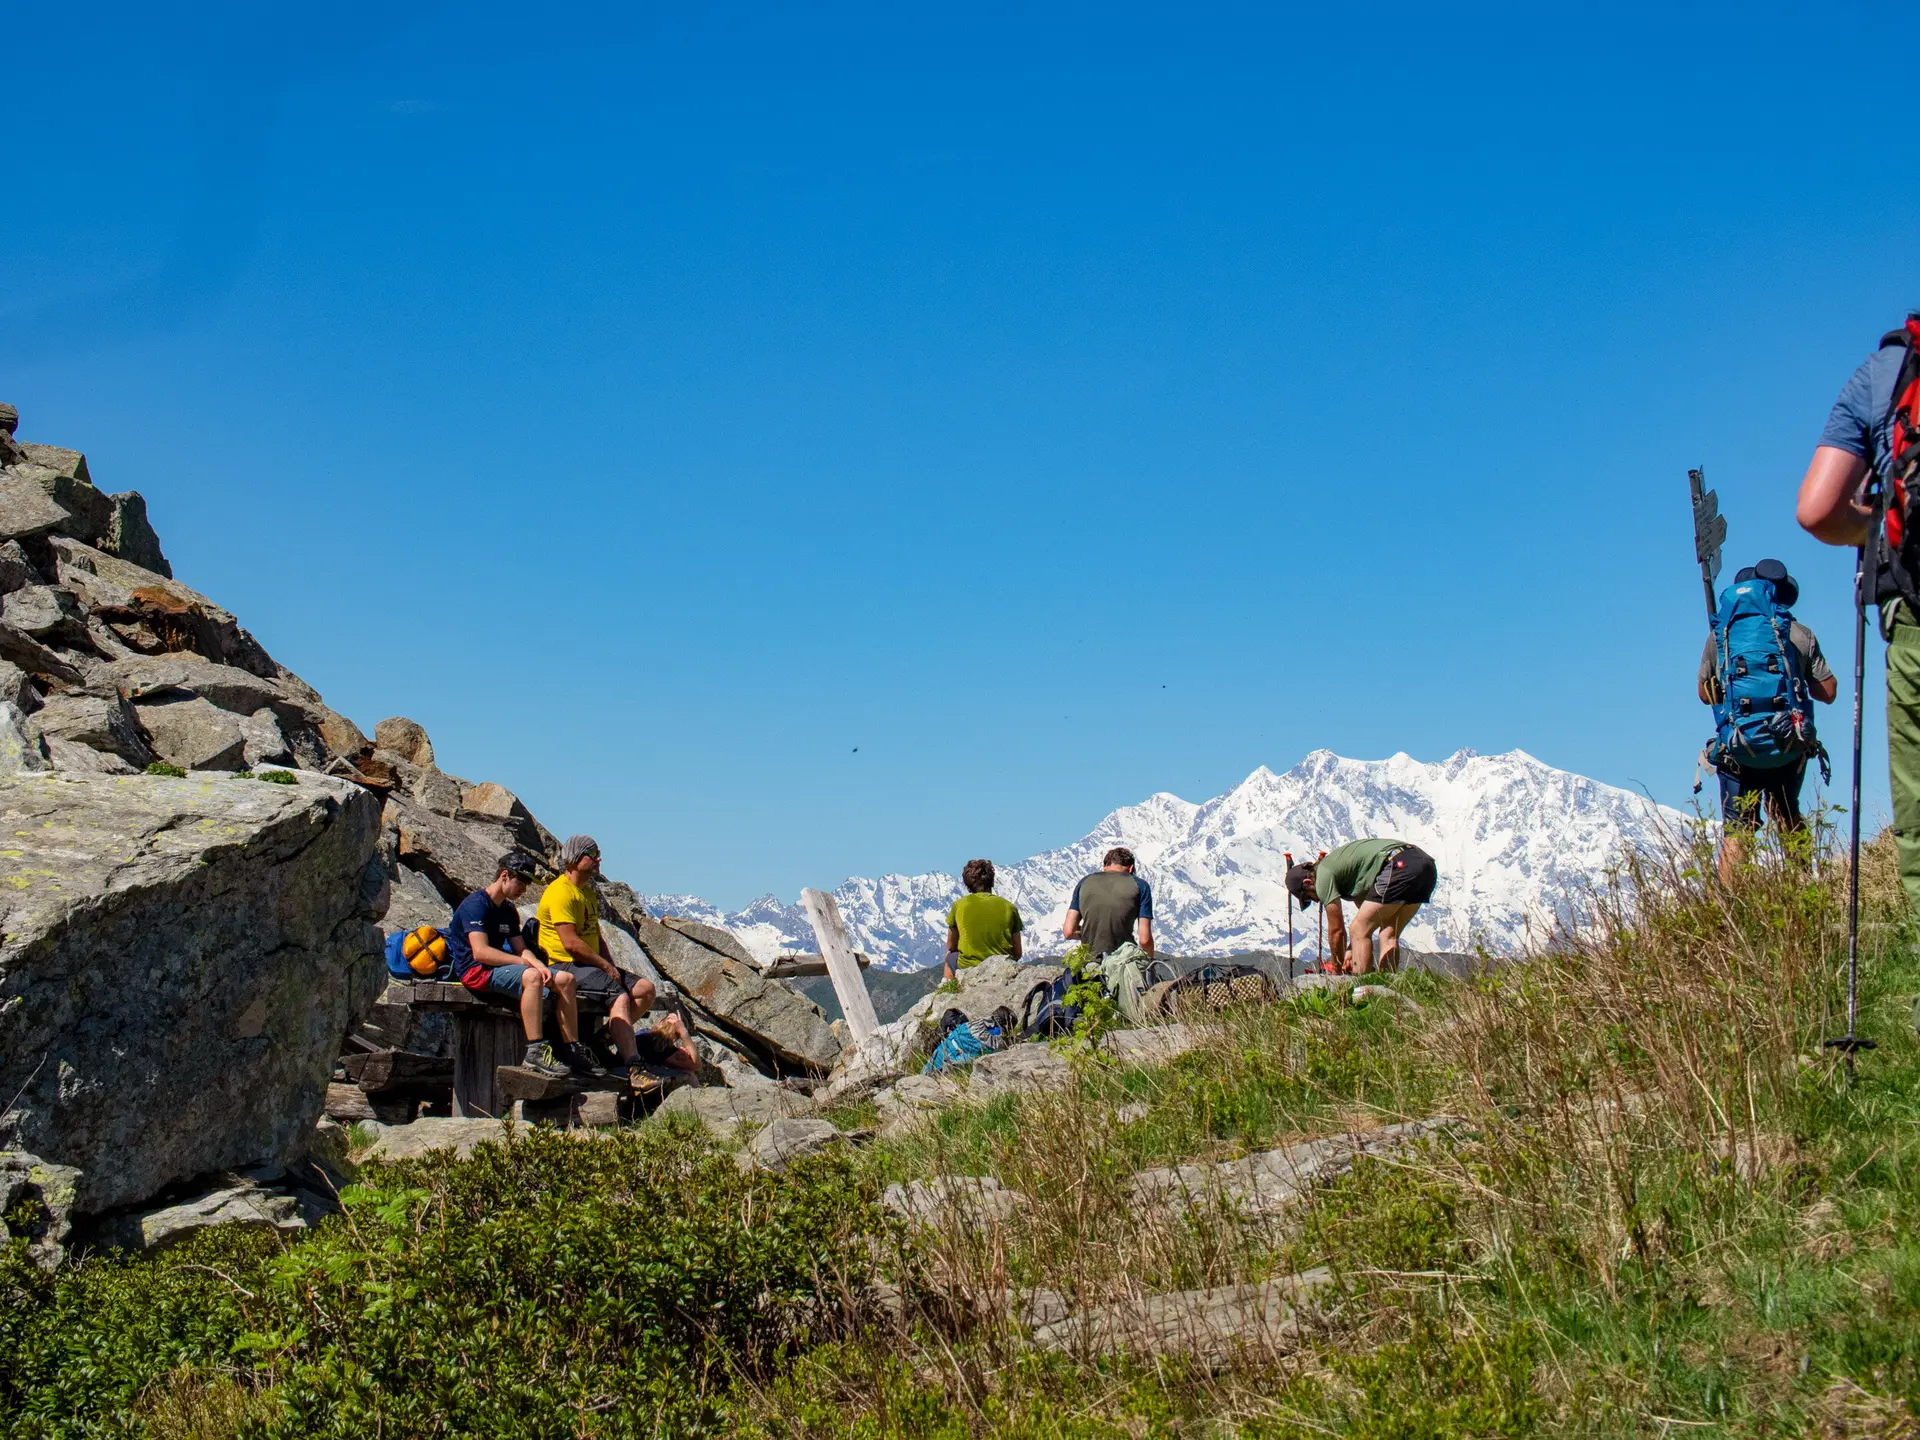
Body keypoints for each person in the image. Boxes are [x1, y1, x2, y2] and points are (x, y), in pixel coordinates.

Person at [1798, 321, 1920, 913]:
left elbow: (1818, 509)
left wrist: (1875, 524)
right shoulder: (1798, 633)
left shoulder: (1889, 373)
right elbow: (1827, 687)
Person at [1696, 558, 1837, 886]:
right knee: (1788, 813)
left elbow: (1705, 694)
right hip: (1787, 746)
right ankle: (1803, 890)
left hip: (1738, 749)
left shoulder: (1720, 636)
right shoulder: (1799, 634)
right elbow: (1828, 692)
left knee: (1738, 831)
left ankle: (1728, 910)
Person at [537, 834, 697, 1084]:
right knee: (619, 995)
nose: (598, 859)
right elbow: (570, 942)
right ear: (576, 858)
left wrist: (610, 964)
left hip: (589, 964)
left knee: (645, 990)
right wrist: (603, 966)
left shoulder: (587, 892)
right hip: (564, 964)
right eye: (592, 854)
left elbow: (595, 936)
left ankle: (601, 1040)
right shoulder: (560, 892)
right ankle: (635, 1066)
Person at [446, 852, 592, 1079]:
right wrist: (526, 965)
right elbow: (481, 952)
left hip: (497, 967)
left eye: (527, 881)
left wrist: (538, 965)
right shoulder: (475, 906)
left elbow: (520, 947)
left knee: (565, 980)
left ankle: (571, 1047)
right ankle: (535, 1051)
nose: (524, 887)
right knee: (531, 978)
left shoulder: (508, 910)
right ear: (505, 875)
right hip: (475, 971)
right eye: (521, 880)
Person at [1285, 839, 1436, 975]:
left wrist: (1337, 971)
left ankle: (1363, 991)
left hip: (1398, 865)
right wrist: (1351, 950)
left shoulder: (1324, 874)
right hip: (1424, 865)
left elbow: (1337, 931)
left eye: (1309, 897)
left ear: (1308, 883)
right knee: (1388, 933)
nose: (1316, 900)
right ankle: (1386, 989)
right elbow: (1368, 917)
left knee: (1358, 929)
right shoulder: (1348, 872)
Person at [1062, 847, 1153, 960]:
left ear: (1104, 867)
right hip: (1124, 962)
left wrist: (1093, 933)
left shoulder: (1084, 882)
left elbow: (1068, 931)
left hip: (1091, 962)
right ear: (1131, 869)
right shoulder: (1141, 886)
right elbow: (1145, 940)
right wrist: (1149, 963)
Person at [943, 858, 1024, 981]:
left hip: (968, 966)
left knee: (950, 957)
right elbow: (1017, 952)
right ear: (991, 881)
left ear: (967, 884)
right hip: (1002, 966)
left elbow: (951, 945)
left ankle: (949, 991)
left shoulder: (959, 906)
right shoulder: (1009, 907)